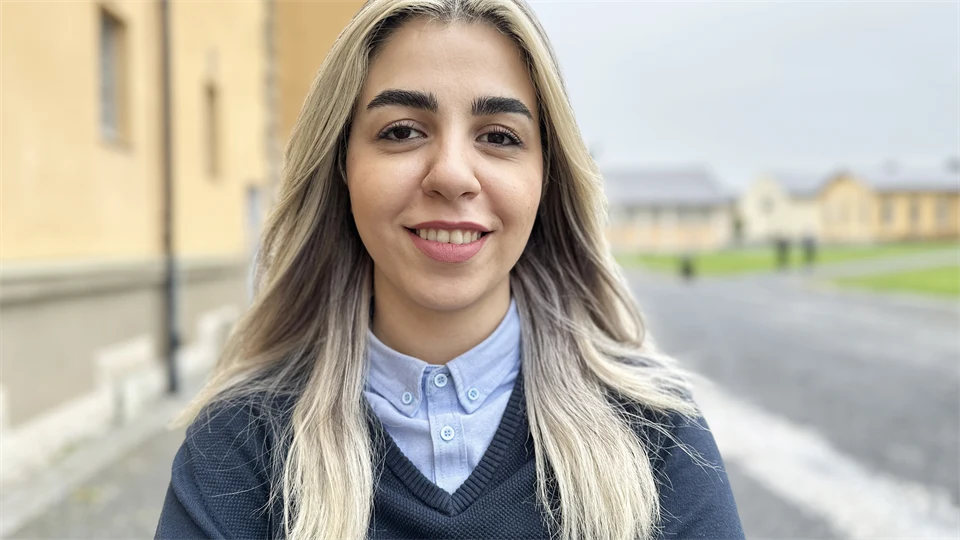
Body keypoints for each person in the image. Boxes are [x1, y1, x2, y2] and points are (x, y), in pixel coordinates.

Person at [154, 0, 746, 538]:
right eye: (403, 131)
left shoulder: (656, 435)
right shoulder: (239, 449)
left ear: (547, 176)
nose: (453, 175)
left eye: (499, 136)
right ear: (342, 166)